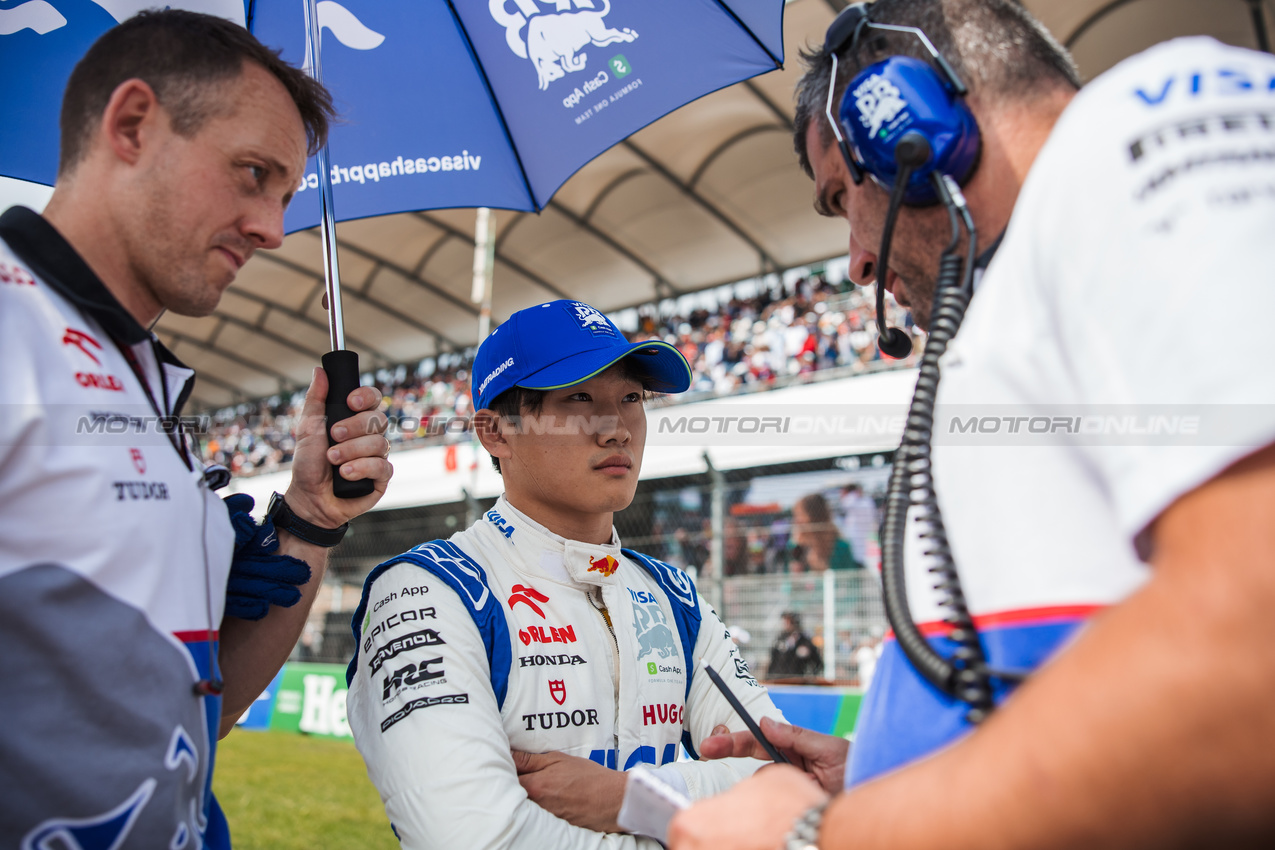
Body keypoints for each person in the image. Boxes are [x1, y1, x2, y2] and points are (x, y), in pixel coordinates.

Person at [668, 1, 1275, 848]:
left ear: (912, 123)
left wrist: (820, 833)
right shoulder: (1038, 266)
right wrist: (880, 772)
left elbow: (1252, 652)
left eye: (844, 195)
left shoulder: (1140, 125)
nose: (855, 261)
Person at [0, 12, 393, 848]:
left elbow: (204, 708)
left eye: (286, 197)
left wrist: (311, 518)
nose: (272, 229)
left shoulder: (148, 380)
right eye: (252, 174)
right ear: (133, 124)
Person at [345, 299, 784, 848]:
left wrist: (633, 797)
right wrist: (705, 818)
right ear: (495, 432)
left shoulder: (676, 598)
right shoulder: (426, 591)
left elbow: (784, 778)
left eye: (630, 398)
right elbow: (475, 836)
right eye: (578, 398)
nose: (616, 430)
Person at [787, 492, 861, 572]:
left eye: (800, 515)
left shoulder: (841, 547)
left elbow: (849, 579)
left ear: (814, 518)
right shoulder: (794, 546)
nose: (796, 521)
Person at [767, 612, 823, 680]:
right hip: (778, 680)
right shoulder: (780, 639)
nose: (785, 624)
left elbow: (818, 663)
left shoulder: (805, 642)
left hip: (795, 682)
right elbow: (773, 659)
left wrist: (810, 676)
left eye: (789, 621)